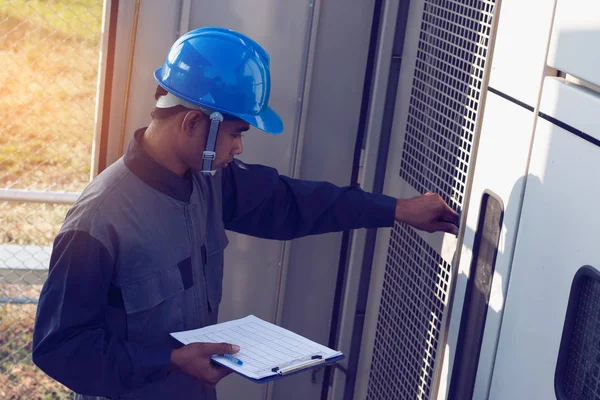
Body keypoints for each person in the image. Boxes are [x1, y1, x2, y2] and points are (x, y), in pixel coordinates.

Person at [32, 27, 459, 400]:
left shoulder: (209, 179)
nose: (239, 148)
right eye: (236, 133)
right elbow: (61, 346)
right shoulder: (99, 221)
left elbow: (290, 203)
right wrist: (170, 361)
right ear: (194, 122)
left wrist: (397, 209)